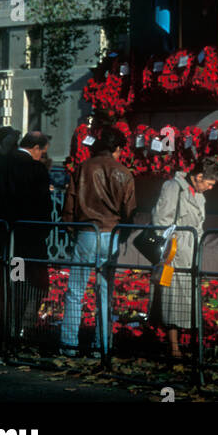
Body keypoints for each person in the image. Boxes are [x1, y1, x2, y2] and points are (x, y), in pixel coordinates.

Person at [60, 126, 136, 360]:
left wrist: (72, 230)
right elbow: (130, 211)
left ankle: (69, 345)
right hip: (110, 234)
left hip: (86, 232)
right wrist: (121, 235)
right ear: (116, 149)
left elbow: (70, 204)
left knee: (75, 291)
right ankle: (101, 345)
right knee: (105, 292)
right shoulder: (124, 173)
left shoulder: (83, 168)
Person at [149, 156, 218, 364]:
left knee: (187, 300)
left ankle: (184, 344)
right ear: (198, 177)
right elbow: (161, 219)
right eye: (209, 183)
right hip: (174, 252)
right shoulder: (173, 188)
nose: (210, 188)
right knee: (173, 299)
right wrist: (172, 245)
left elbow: (199, 224)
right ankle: (173, 347)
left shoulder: (199, 195)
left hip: (192, 253)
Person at [0, 131, 53, 345]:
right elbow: (44, 205)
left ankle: (10, 327)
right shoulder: (36, 169)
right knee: (36, 282)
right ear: (35, 148)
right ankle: (24, 327)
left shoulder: (5, 164)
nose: (43, 156)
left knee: (16, 279)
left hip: (11, 235)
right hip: (31, 238)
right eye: (42, 152)